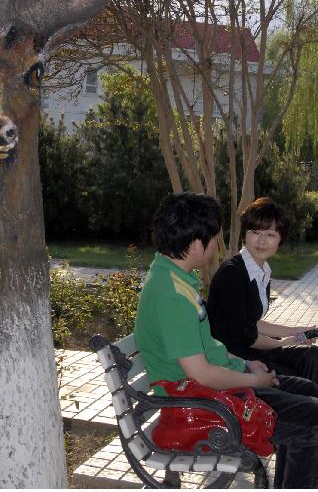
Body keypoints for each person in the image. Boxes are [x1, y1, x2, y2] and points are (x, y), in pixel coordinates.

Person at [134, 192, 318, 489]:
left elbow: (209, 352)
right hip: (204, 400)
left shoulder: (174, 278)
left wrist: (246, 364)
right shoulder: (173, 295)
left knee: (307, 391)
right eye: (213, 237)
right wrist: (254, 381)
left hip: (217, 387)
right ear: (196, 243)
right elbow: (201, 373)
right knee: (312, 422)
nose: (215, 245)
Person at [207, 197, 318, 383]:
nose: (261, 241)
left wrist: (294, 331)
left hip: (251, 350)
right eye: (255, 232)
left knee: (313, 356)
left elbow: (252, 322)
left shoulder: (261, 270)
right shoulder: (232, 274)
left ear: (280, 239)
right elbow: (244, 334)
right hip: (234, 360)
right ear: (245, 234)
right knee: (303, 380)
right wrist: (281, 344)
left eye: (270, 234)